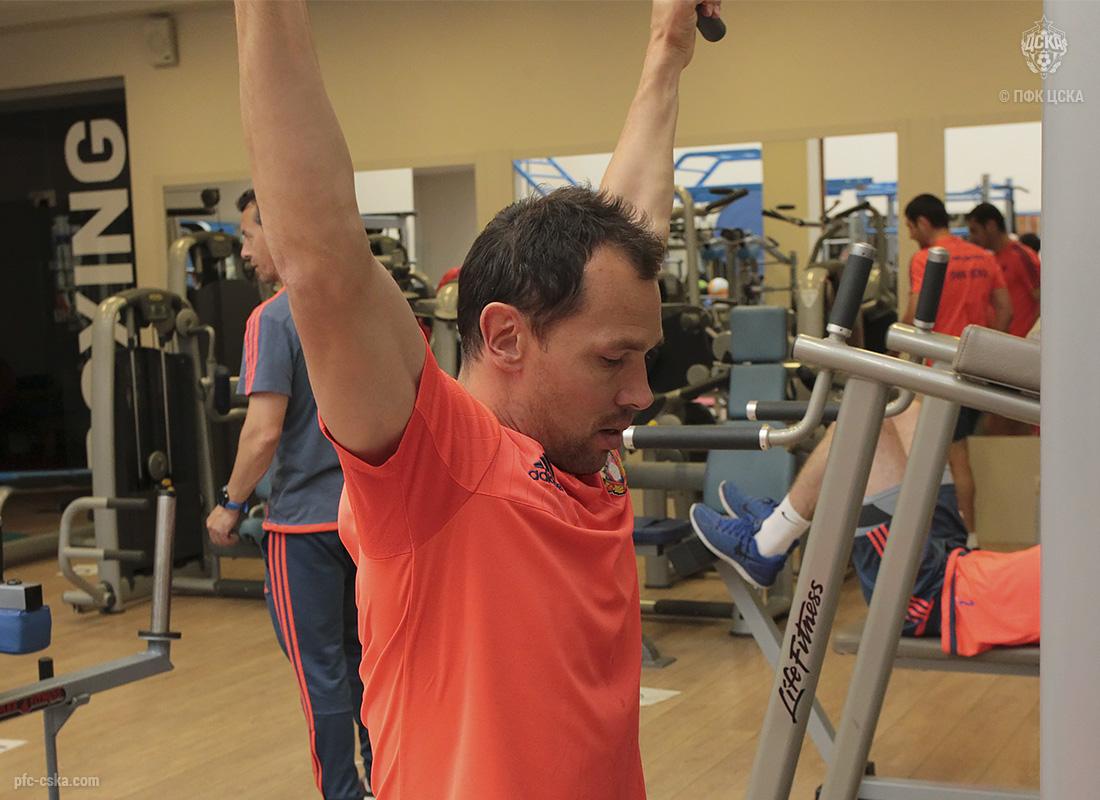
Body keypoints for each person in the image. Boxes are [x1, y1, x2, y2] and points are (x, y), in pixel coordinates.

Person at [234, 0, 721, 797]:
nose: (639, 394)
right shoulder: (440, 467)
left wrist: (668, 46)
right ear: (504, 338)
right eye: (612, 362)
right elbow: (321, 258)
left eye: (643, 357)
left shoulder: (581, 445)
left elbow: (631, 224)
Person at [205, 190, 373, 800]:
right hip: (366, 522)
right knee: (370, 664)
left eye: (249, 236)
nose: (245, 251)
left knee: (319, 672)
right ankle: (391, 783)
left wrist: (230, 503)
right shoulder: (361, 308)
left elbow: (262, 432)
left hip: (302, 530)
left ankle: (343, 795)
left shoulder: (273, 319)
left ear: (280, 230)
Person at [689, 400, 1040, 657]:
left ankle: (767, 543)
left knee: (862, 418)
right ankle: (777, 523)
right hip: (959, 560)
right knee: (905, 409)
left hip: (931, 594)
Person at [901, 193, 1014, 537]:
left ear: (923, 222)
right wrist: (987, 355)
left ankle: (967, 540)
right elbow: (1006, 310)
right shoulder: (983, 257)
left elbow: (915, 313)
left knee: (954, 457)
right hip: (974, 369)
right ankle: (960, 536)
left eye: (910, 227)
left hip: (942, 371)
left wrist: (892, 345)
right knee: (954, 453)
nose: (910, 235)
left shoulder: (926, 259)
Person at [965, 202, 1041, 339]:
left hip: (1019, 343)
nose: (972, 238)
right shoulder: (991, 259)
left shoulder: (1020, 256)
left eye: (975, 231)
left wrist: (1030, 338)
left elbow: (1043, 298)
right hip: (1002, 340)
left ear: (991, 226)